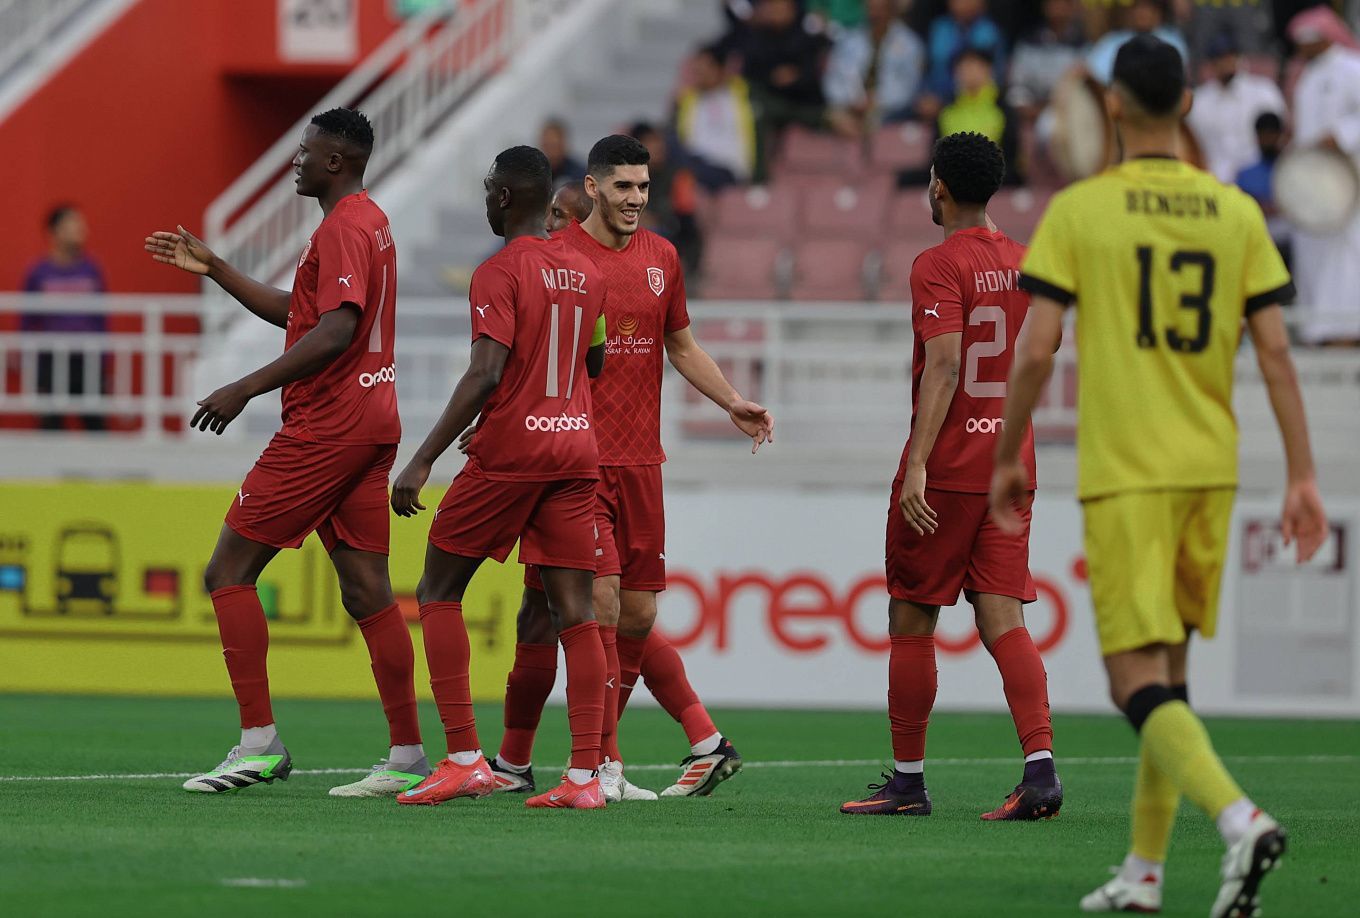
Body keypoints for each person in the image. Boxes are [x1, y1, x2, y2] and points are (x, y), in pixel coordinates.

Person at [990, 35, 1328, 916]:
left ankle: (1241, 819)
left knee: (1129, 679)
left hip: (1130, 471)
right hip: (1211, 469)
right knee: (1170, 677)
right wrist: (1302, 474)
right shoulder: (1235, 212)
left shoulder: (1081, 209)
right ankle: (1144, 872)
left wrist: (1008, 454)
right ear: (1185, 105)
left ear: (1112, 106)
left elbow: (1037, 349)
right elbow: (1277, 351)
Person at [145, 109, 426, 797]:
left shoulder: (344, 228)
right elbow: (302, 315)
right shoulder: (367, 222)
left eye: (306, 151)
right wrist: (216, 268)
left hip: (329, 425)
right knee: (368, 591)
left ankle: (259, 744)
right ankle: (407, 754)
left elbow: (336, 331)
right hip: (371, 419)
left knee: (227, 571)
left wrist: (244, 387)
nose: (296, 161)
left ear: (335, 161)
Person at [486, 135, 774, 802]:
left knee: (634, 617)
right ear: (592, 188)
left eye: (643, 187)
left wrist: (732, 400)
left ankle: (522, 762)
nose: (636, 198)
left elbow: (681, 344)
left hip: (642, 462)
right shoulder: (557, 258)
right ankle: (598, 764)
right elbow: (525, 354)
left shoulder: (662, 257)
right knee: (599, 606)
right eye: (623, 187)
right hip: (573, 463)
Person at [840, 131, 1059, 821]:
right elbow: (1041, 353)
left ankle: (908, 783)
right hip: (1011, 465)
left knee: (912, 615)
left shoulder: (937, 264)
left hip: (951, 470)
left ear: (938, 186)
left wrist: (916, 464)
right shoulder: (1027, 261)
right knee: (1004, 617)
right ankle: (1041, 770)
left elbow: (944, 365)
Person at [390, 145, 611, 810]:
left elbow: (486, 371)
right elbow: (593, 363)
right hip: (575, 449)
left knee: (437, 588)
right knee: (576, 612)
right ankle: (584, 778)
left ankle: (464, 758)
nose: (487, 200)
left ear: (506, 196)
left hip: (514, 452)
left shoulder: (497, 271)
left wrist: (424, 457)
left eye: (490, 190)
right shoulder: (587, 270)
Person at [1287, 7, 1360, 345]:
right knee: (1312, 252)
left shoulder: (1351, 67)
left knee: (1347, 258)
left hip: (1349, 182)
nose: (1300, 49)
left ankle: (1348, 331)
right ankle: (1318, 333)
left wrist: (1341, 135)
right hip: (1314, 183)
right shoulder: (1306, 77)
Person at [23, 204, 109, 432]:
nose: (82, 230)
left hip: (87, 359)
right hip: (52, 359)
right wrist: (33, 368)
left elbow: (101, 320)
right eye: (73, 225)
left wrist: (103, 362)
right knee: (51, 429)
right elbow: (27, 322)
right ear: (55, 231)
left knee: (97, 429)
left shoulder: (92, 270)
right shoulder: (38, 273)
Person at [732, 0, 831, 182]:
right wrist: (773, 77)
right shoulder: (758, 36)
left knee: (836, 120)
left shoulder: (807, 35)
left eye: (781, 7)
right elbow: (750, 73)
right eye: (773, 7)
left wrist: (796, 77)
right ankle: (759, 177)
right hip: (772, 102)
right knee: (755, 109)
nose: (776, 12)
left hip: (804, 103)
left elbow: (814, 73)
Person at [1186, 32, 1285, 184]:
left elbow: (1279, 137)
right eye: (1221, 58)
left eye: (1231, 57)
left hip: (1259, 181)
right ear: (1212, 63)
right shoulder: (1199, 101)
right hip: (1215, 181)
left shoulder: (1264, 91)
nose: (1227, 63)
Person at [823, 0, 926, 138]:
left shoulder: (910, 44)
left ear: (892, 11)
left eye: (880, 9)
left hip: (888, 111)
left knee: (874, 125)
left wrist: (877, 101)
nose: (874, 14)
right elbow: (833, 79)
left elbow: (910, 88)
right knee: (833, 117)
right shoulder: (849, 40)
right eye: (871, 9)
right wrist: (852, 100)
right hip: (850, 106)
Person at [673, 44, 757, 191]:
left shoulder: (741, 96)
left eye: (704, 70)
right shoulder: (688, 101)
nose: (700, 75)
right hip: (695, 165)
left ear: (720, 69)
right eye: (697, 71)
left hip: (729, 169)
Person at [919, 0, 1005, 118]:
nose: (965, 3)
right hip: (937, 99)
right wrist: (926, 95)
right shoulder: (939, 28)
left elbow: (998, 73)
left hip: (977, 100)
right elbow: (926, 68)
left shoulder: (991, 31)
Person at [1007, 0, 1088, 121]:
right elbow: (1017, 86)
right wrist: (1030, 110)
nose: (1058, 8)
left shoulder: (1083, 46)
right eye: (1053, 3)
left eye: (1063, 3)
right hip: (1030, 115)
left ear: (1071, 7)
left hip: (1068, 115)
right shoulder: (1029, 42)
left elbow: (1084, 88)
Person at [1085, 0, 1188, 85]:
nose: (1142, 13)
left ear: (1158, 12)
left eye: (1147, 8)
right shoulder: (1113, 40)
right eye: (1138, 7)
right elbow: (1094, 73)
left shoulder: (1171, 40)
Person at [1234, 112, 1290, 262]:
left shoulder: (1291, 170)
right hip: (1257, 245)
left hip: (1288, 242)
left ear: (1280, 135)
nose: (1266, 140)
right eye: (1262, 135)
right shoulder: (1245, 173)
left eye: (1271, 135)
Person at [541, 118, 586, 184]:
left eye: (555, 145)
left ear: (564, 144)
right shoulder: (533, 173)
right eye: (548, 145)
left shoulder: (579, 174)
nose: (552, 151)